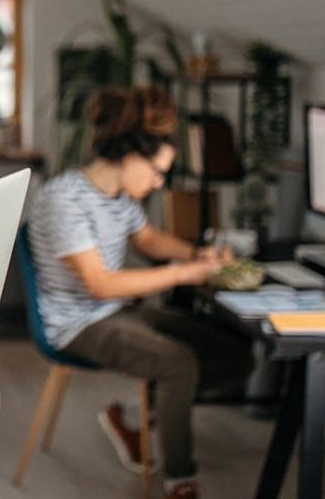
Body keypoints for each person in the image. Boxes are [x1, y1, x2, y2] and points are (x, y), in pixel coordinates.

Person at [28, 86, 253, 499]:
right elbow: (100, 284)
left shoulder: (120, 196)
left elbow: (148, 240)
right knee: (178, 363)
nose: (159, 182)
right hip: (77, 324)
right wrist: (184, 274)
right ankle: (180, 481)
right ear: (131, 157)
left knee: (235, 355)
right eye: (156, 171)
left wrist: (197, 254)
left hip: (117, 312)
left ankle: (131, 416)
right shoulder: (64, 199)